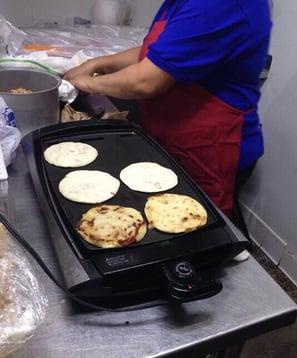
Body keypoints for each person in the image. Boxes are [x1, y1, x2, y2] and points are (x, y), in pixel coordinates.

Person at [65, 0, 272, 222]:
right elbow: (160, 52)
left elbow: (145, 81)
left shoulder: (219, 4)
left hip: (211, 148)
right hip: (175, 135)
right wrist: (100, 63)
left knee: (197, 227)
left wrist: (90, 83)